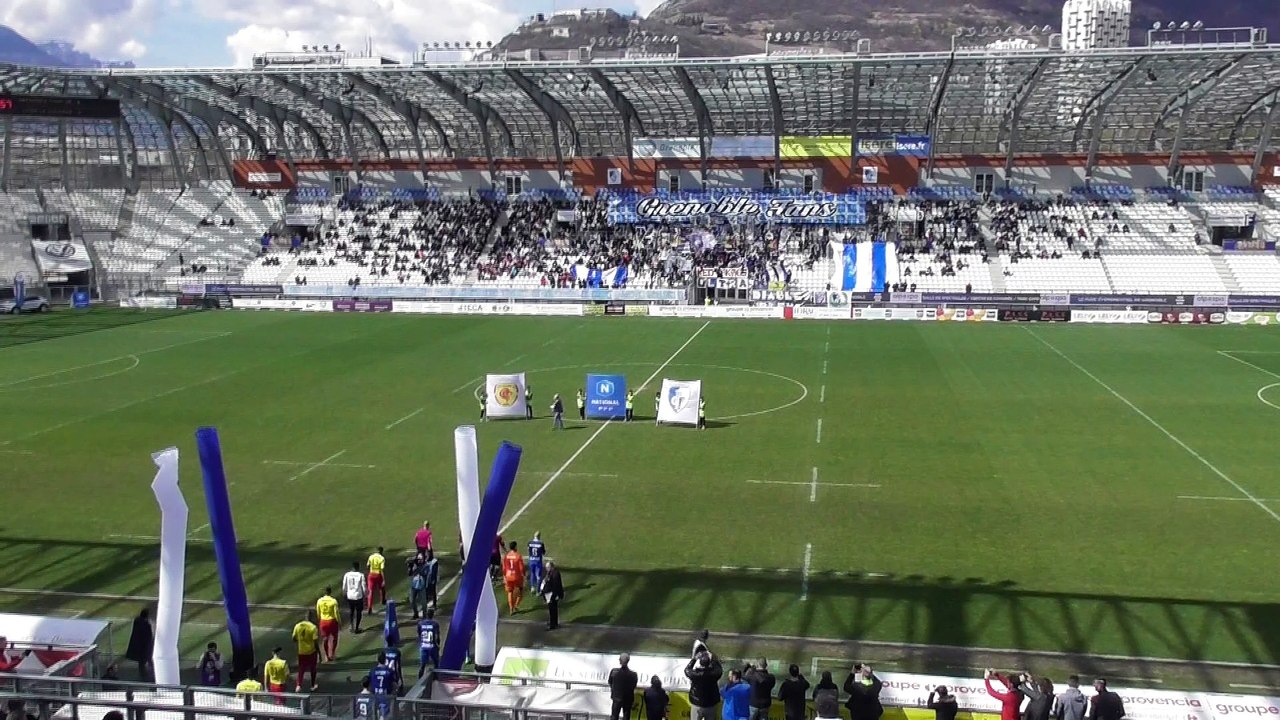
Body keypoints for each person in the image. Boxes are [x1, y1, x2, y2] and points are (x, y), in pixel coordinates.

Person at [684, 651, 723, 720]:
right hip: (710, 704)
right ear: (709, 663)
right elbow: (719, 670)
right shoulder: (713, 674)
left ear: (700, 662)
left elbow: (687, 670)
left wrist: (694, 659)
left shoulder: (695, 674)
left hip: (697, 704)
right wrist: (714, 660)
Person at [292, 611, 320, 692]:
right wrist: (319, 653)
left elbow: (294, 638)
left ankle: (298, 685)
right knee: (313, 669)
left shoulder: (298, 626)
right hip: (311, 651)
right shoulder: (313, 627)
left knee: (301, 669)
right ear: (311, 618)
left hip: (301, 651)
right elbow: (315, 641)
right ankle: (312, 685)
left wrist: (301, 641)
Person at [124, 608, 154, 681]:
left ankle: (144, 674)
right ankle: (150, 675)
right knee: (148, 660)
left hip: (137, 645)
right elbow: (149, 636)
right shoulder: (146, 625)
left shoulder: (137, 621)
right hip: (144, 646)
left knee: (142, 662)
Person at [609, 653, 639, 720]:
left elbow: (610, 682)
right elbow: (633, 686)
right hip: (628, 698)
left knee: (614, 716)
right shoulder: (633, 675)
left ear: (620, 660)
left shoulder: (614, 672)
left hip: (617, 697)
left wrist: (614, 691)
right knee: (626, 716)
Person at [316, 587, 341, 661]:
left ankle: (326, 656)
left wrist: (320, 620)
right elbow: (336, 613)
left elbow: (318, 612)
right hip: (332, 621)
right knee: (335, 638)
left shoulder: (319, 601)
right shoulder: (333, 601)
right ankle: (332, 654)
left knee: (325, 639)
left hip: (323, 621)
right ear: (330, 592)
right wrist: (339, 622)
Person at [503, 541, 527, 614]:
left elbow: (504, 568)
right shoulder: (518, 556)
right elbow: (521, 568)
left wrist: (504, 576)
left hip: (508, 576)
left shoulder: (506, 556)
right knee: (520, 592)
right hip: (517, 577)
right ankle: (516, 605)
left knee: (510, 592)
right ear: (515, 547)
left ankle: (511, 608)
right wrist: (524, 575)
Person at [416, 608, 441, 677]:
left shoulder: (420, 623)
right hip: (432, 646)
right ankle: (436, 678)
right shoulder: (435, 624)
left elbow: (419, 634)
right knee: (436, 663)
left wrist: (421, 642)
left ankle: (419, 680)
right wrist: (438, 645)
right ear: (432, 615)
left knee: (422, 665)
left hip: (424, 646)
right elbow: (437, 636)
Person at [343, 562, 367, 633]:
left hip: (350, 596)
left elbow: (344, 586)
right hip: (358, 596)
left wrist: (344, 593)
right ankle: (356, 628)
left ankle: (351, 626)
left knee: (351, 611)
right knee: (359, 612)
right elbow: (364, 586)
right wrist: (365, 595)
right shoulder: (361, 575)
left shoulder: (347, 574)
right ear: (358, 567)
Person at [540, 560, 564, 630]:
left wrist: (553, 595)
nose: (546, 568)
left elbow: (556, 586)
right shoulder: (550, 573)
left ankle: (553, 624)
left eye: (548, 567)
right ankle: (554, 623)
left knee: (552, 609)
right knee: (552, 609)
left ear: (552, 567)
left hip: (552, 594)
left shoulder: (555, 574)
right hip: (549, 594)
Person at [367, 546, 388, 612]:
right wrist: (383, 579)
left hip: (371, 574)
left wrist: (370, 570)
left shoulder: (371, 556)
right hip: (378, 574)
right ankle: (383, 600)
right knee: (382, 588)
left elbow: (368, 565)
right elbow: (381, 569)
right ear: (381, 551)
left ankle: (369, 606)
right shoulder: (382, 558)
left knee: (371, 591)